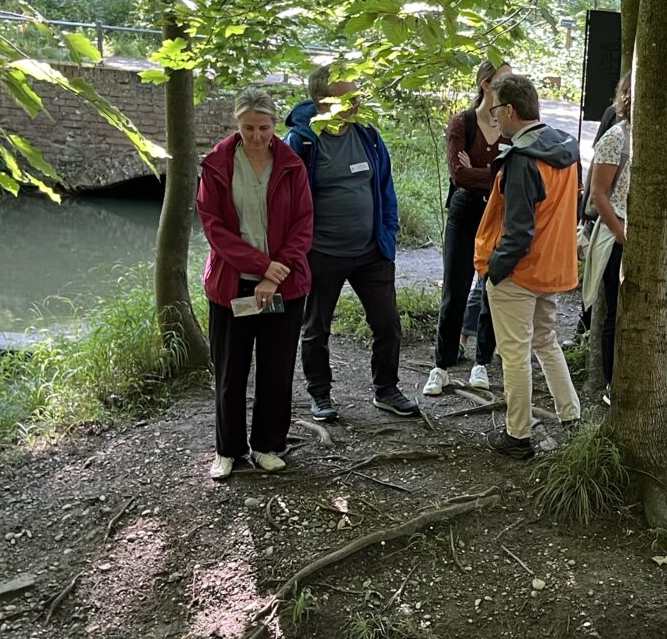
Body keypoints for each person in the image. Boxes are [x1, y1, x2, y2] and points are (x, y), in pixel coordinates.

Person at [284, 66, 418, 421]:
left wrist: (387, 233)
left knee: (388, 324)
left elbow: (386, 188)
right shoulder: (302, 142)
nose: (357, 100)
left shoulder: (368, 135)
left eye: (357, 93)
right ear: (322, 100)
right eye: (348, 96)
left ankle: (386, 390)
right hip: (321, 253)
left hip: (371, 252)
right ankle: (321, 396)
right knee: (315, 329)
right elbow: (286, 202)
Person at [197, 87, 313, 481]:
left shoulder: (291, 165)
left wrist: (275, 272)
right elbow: (215, 228)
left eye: (263, 127)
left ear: (274, 125)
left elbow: (303, 225)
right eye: (248, 128)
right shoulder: (216, 165)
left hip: (284, 286)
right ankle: (227, 449)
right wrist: (264, 267)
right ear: (237, 124)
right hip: (232, 286)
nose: (257, 136)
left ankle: (266, 445)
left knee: (276, 370)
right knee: (230, 371)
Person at [474, 73, 583, 459]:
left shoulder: (522, 159)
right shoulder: (566, 147)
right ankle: (572, 417)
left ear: (511, 110)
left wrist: (495, 270)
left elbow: (517, 230)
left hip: (518, 273)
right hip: (552, 269)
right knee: (545, 342)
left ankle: (517, 437)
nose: (492, 115)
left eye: (495, 108)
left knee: (515, 354)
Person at [424, 59, 509, 399]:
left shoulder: (509, 125)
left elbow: (517, 175)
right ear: (487, 84)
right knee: (455, 291)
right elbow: (458, 176)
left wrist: (485, 171)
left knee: (491, 288)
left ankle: (482, 363)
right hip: (465, 211)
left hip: (498, 214)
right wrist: (496, 173)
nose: (512, 83)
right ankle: (441, 366)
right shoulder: (462, 122)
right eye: (505, 78)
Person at [583, 79, 634, 392]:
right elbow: (598, 195)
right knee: (615, 311)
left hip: (641, 235)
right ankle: (610, 384)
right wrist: (621, 236)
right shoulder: (616, 137)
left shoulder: (659, 139)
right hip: (618, 235)